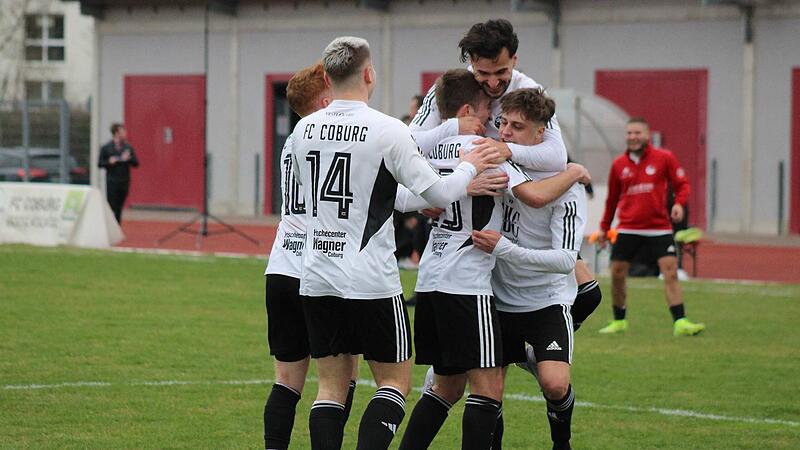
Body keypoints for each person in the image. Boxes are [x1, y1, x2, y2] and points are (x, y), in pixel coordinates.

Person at [290, 37, 498, 450]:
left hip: (317, 274)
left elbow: (377, 195)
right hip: (370, 278)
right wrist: (468, 167)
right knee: (394, 382)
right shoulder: (387, 129)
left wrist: (426, 197)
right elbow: (439, 193)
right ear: (369, 74)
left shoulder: (303, 129)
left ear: (327, 78)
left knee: (330, 387)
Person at [395, 71, 589, 450]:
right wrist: (573, 172)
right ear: (470, 110)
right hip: (467, 284)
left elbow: (401, 198)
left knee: (446, 387)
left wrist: (447, 193)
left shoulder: (434, 149)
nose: (496, 124)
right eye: (492, 113)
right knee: (487, 390)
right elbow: (533, 195)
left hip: (430, 279)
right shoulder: (486, 150)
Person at [471, 88, 588, 450]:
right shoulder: (498, 164)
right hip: (498, 300)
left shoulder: (567, 188)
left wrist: (504, 249)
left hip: (545, 301)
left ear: (541, 135)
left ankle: (561, 442)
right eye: (503, 123)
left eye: (517, 127)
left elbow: (566, 261)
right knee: (490, 390)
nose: (505, 133)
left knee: (554, 384)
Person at [263, 62, 361, 450]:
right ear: (324, 99)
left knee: (286, 381)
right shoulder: (335, 138)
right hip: (322, 267)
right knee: (339, 380)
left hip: (281, 266)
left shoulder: (291, 142)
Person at [597, 117, 705, 336]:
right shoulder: (619, 164)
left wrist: (678, 204)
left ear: (647, 135)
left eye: (637, 133)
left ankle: (680, 321)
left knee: (670, 272)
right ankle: (619, 321)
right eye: (629, 133)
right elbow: (612, 199)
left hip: (659, 228)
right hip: (628, 227)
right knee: (617, 274)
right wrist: (604, 228)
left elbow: (682, 184)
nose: (633, 137)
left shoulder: (664, 158)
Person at [98, 123, 139, 223]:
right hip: (112, 181)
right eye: (122, 131)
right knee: (112, 205)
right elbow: (100, 163)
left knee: (119, 206)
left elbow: (136, 163)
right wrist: (109, 162)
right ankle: (112, 225)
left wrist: (129, 159)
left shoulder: (128, 147)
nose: (125, 133)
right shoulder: (106, 148)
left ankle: (117, 225)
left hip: (124, 180)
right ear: (116, 133)